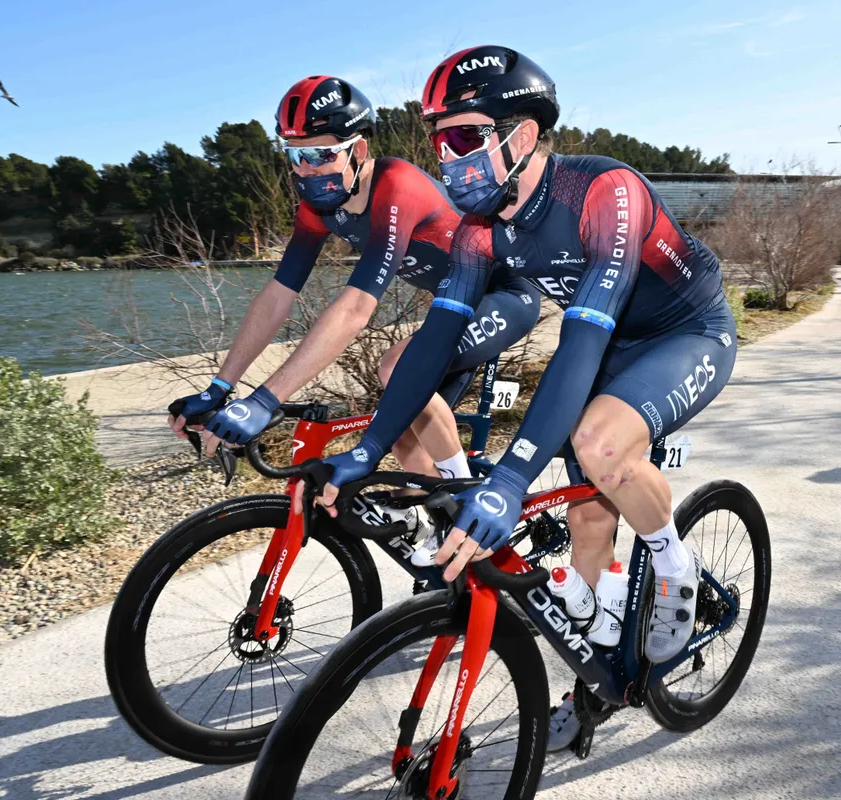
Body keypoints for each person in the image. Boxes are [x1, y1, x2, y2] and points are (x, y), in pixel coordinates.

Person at [304, 46, 738, 750]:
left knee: (601, 446)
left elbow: (583, 339)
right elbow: (432, 348)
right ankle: (597, 672)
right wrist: (369, 449)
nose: (447, 157)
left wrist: (509, 477)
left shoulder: (603, 193)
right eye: (437, 140)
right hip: (613, 346)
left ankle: (672, 566)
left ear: (523, 134)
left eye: (463, 137)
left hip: (684, 332)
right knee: (587, 516)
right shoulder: (478, 229)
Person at [167, 75, 540, 515]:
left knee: (396, 366)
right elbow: (277, 295)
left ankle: (468, 505)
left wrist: (265, 400)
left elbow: (355, 308)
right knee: (400, 432)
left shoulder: (396, 186)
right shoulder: (319, 207)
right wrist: (219, 386)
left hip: (506, 294)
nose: (305, 170)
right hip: (452, 309)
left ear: (358, 150)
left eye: (319, 155)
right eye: (295, 156)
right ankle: (435, 529)